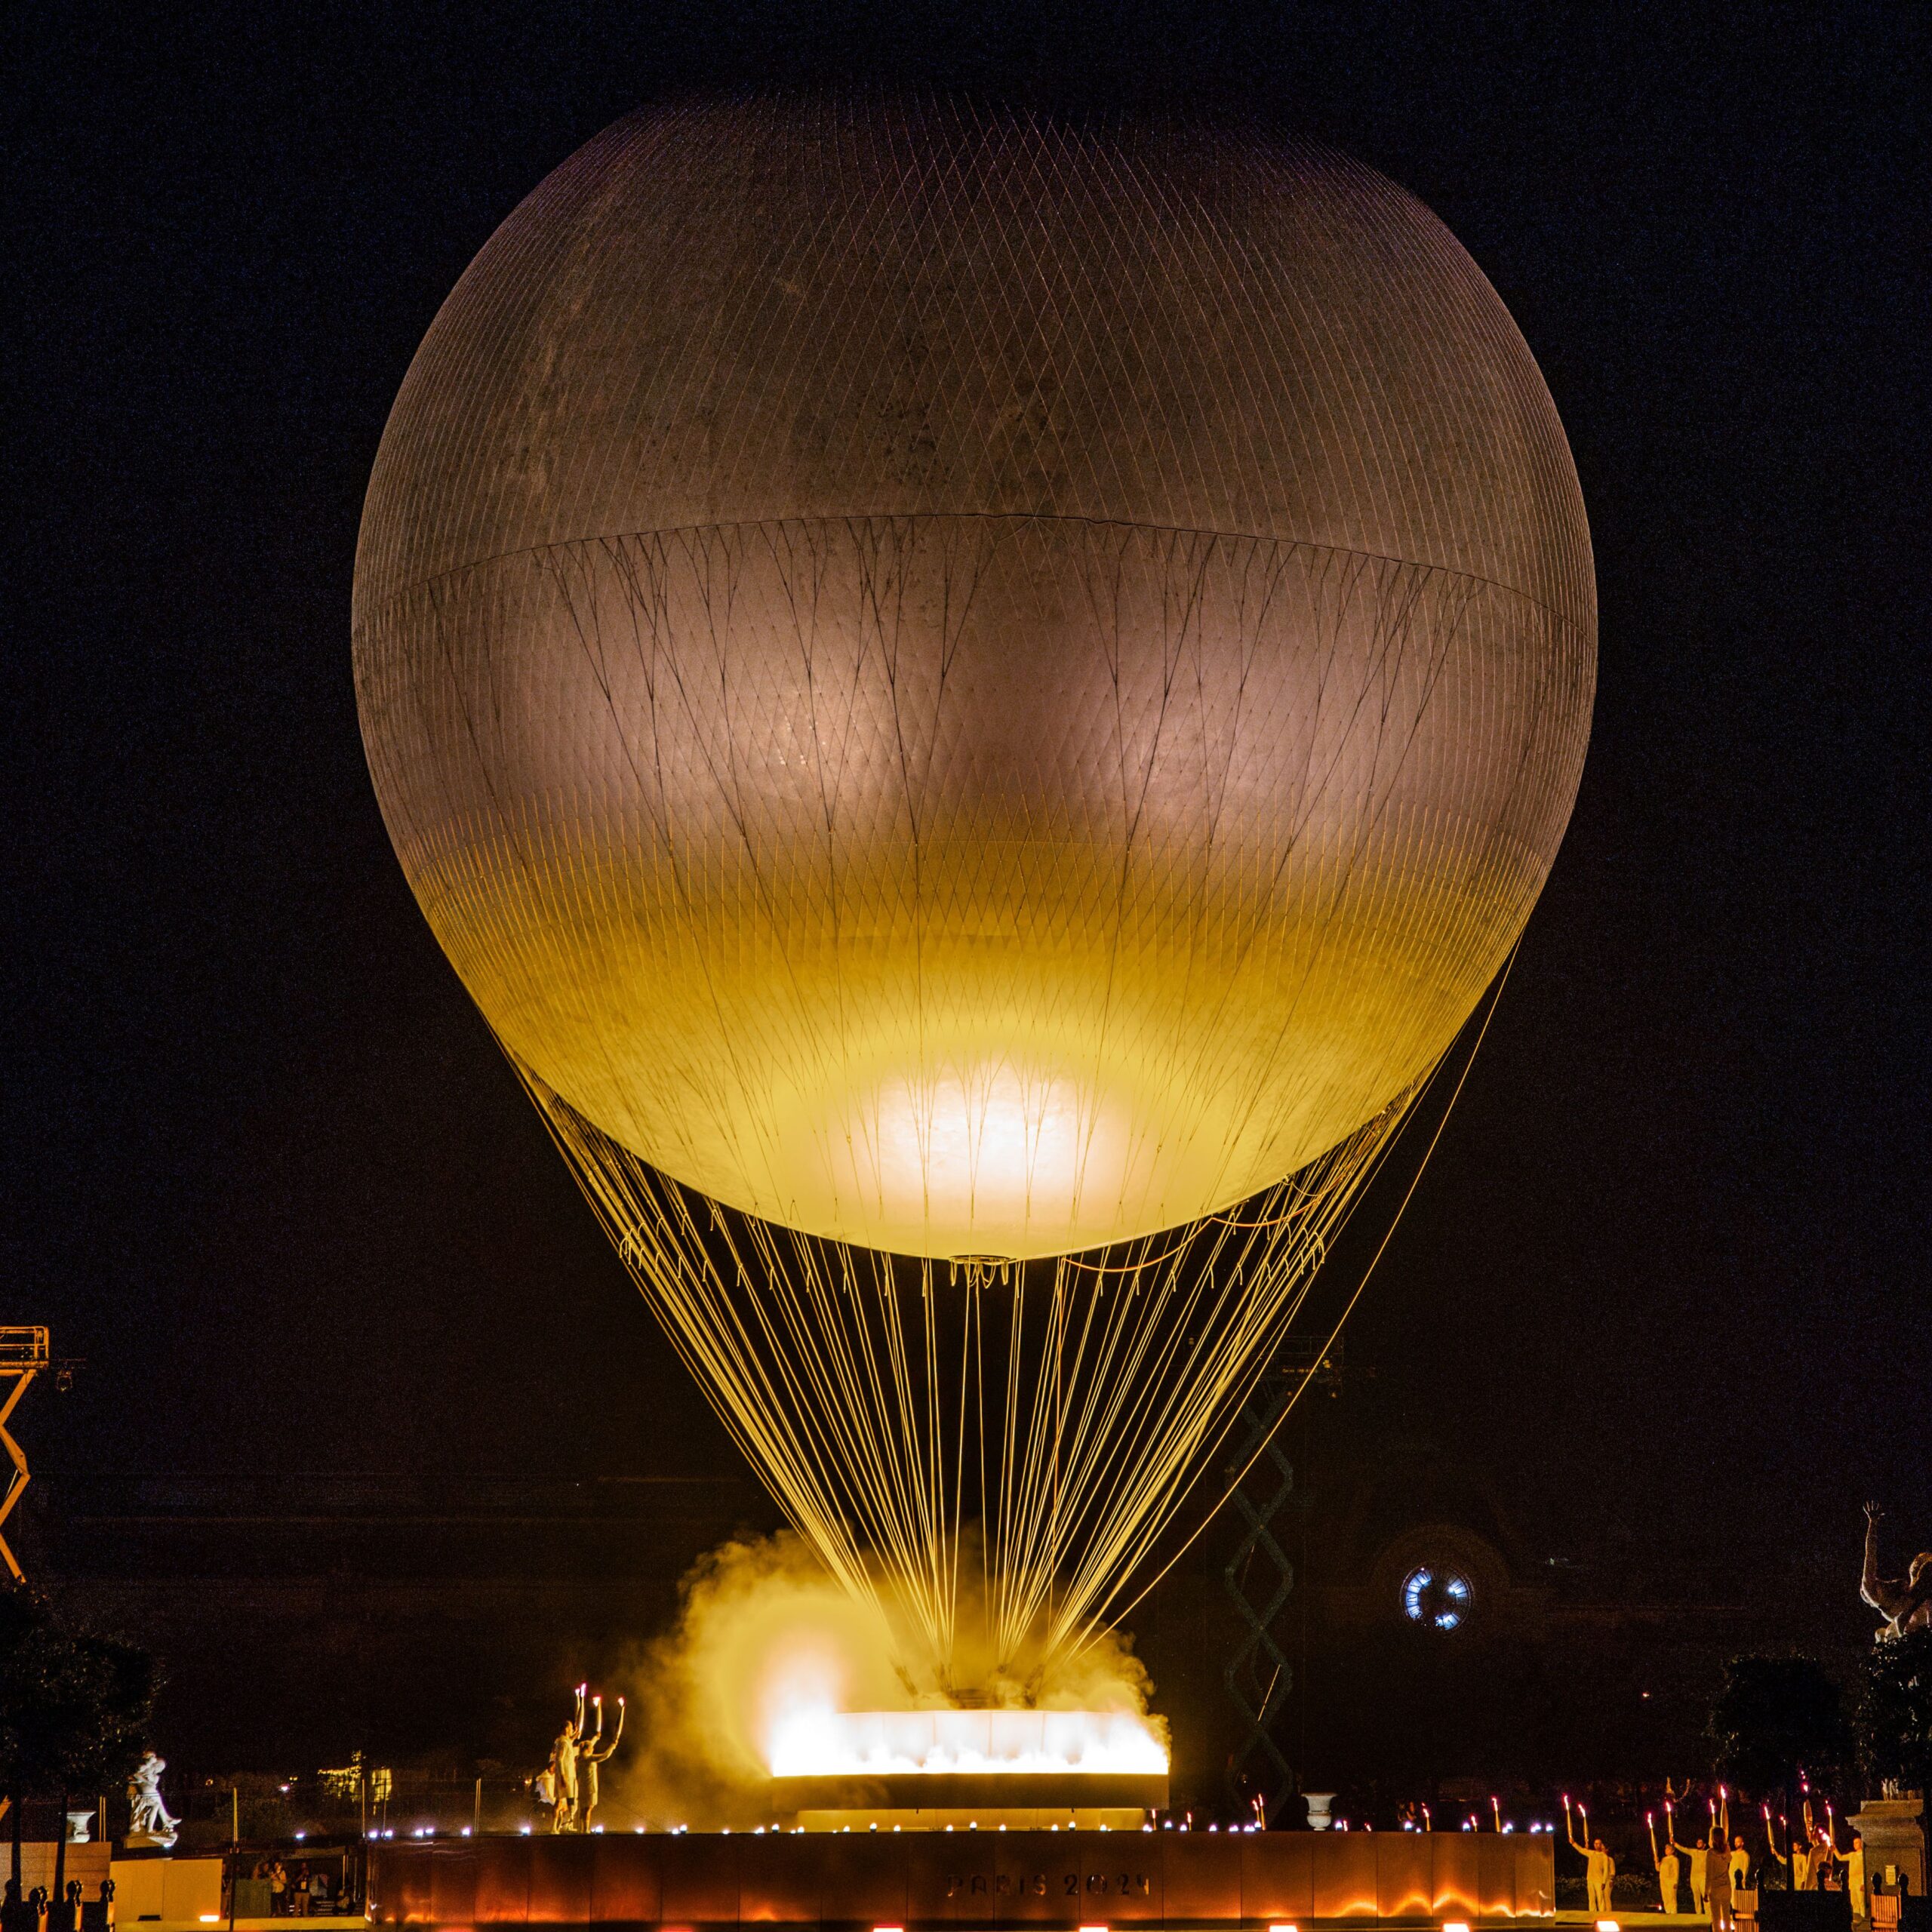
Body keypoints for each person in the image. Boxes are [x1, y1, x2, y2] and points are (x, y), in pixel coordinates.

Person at [1860, 1504, 1932, 1638]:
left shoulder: (1889, 1590)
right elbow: (1870, 1555)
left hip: (1913, 1604)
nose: (1886, 1583)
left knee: (1921, 1566)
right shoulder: (1873, 1592)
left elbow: (1870, 1555)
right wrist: (1873, 1523)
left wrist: (1873, 1523)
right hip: (1910, 1610)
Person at [575, 1693, 625, 1832]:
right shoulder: (587, 1758)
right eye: (591, 1747)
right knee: (588, 1809)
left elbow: (590, 1743)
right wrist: (613, 1745)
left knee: (584, 1808)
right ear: (587, 1749)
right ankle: (585, 1830)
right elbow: (603, 1756)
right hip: (589, 1787)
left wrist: (597, 1736)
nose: (592, 1747)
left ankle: (583, 1829)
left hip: (583, 1787)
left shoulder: (581, 1756)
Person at [1566, 1798, 1617, 1917]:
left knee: (1601, 1899)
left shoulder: (1604, 1856)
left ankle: (1602, 1915)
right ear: (1594, 1845)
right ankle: (1591, 1915)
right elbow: (1581, 1850)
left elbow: (1605, 1870)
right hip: (1591, 1878)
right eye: (1596, 1844)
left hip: (1600, 1880)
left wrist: (1604, 1881)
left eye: (1599, 1843)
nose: (1597, 1845)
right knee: (1591, 1898)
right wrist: (1573, 1843)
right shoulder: (1591, 1853)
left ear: (1601, 1844)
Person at [1670, 1806, 1711, 1916]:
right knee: (1696, 1897)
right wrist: (1674, 1844)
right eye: (1697, 1843)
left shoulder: (1708, 1853)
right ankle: (1698, 1914)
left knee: (1705, 1897)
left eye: (1700, 1843)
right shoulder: (1693, 1852)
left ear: (1704, 1844)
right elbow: (1684, 1849)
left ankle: (1708, 1914)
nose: (1698, 1844)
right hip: (1694, 1877)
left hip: (1703, 1877)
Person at [1651, 1813, 1683, 1915]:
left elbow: (1676, 1872)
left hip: (1670, 1881)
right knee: (1665, 1898)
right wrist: (1656, 1861)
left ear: (1672, 1850)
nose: (1666, 1850)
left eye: (1668, 1848)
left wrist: (1675, 1882)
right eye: (1665, 1848)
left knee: (1672, 1898)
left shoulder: (1674, 1859)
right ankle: (1668, 1912)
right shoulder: (1664, 1859)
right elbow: (1658, 1869)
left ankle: (1673, 1913)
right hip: (1663, 1880)